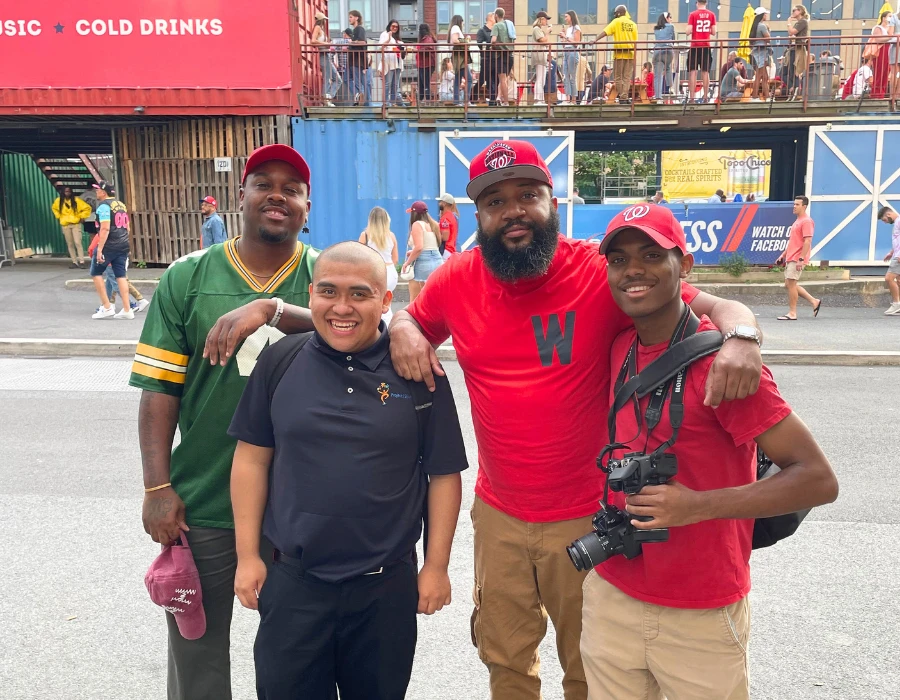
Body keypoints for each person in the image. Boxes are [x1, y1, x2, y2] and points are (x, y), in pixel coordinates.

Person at [203, 140, 766, 700]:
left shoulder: (598, 272)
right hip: (499, 517)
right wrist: (400, 328)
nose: (513, 211)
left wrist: (740, 336)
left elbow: (709, 306)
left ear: (553, 201)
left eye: (528, 195)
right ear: (479, 215)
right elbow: (371, 320)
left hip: (586, 512)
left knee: (587, 666)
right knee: (505, 659)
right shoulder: (456, 279)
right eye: (495, 201)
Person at [581, 204, 838, 700]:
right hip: (613, 591)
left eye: (652, 254)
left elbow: (817, 479)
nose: (633, 269)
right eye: (619, 259)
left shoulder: (726, 366)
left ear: (686, 266)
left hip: (700, 607)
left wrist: (698, 506)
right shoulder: (618, 347)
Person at [229, 241, 467, 700]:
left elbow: (444, 476)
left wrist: (436, 566)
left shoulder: (417, 372)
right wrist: (247, 556)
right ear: (311, 293)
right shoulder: (281, 361)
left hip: (384, 591)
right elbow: (251, 460)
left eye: (359, 294)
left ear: (384, 300)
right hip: (295, 583)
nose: (342, 307)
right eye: (328, 291)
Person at [130, 144, 319, 700]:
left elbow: (363, 329)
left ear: (308, 204)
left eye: (292, 187)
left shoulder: (322, 275)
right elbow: (159, 388)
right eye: (264, 183)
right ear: (242, 195)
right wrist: (157, 487)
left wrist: (271, 309)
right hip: (206, 500)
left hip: (299, 507)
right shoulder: (188, 276)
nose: (277, 195)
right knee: (198, 659)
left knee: (294, 657)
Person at [90, 181, 135, 320]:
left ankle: (107, 307)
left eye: (98, 190)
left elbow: (105, 228)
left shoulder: (103, 206)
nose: (96, 192)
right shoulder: (120, 204)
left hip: (109, 244)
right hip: (123, 244)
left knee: (95, 272)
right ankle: (127, 309)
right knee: (120, 275)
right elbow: (127, 226)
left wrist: (100, 249)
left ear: (104, 192)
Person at [775, 195, 821, 320]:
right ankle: (814, 301)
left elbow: (807, 241)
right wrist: (783, 255)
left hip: (797, 258)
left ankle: (792, 313)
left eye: (797, 204)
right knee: (789, 284)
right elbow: (793, 241)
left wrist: (801, 259)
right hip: (791, 256)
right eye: (794, 204)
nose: (794, 206)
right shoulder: (798, 221)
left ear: (804, 207)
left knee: (791, 284)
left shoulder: (806, 221)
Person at [88, 231, 149, 314]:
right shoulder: (119, 233)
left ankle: (131, 304)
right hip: (119, 259)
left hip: (106, 261)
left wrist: (94, 256)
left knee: (116, 284)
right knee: (111, 283)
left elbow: (91, 248)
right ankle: (108, 304)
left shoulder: (101, 234)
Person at [359, 206, 400, 323]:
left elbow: (358, 258)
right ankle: (388, 329)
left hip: (374, 272)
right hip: (390, 272)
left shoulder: (365, 235)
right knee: (387, 304)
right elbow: (395, 259)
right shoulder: (391, 236)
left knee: (373, 303)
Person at [595, 6, 638, 105]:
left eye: (615, 13)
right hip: (630, 53)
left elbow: (605, 32)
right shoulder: (633, 24)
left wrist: (595, 40)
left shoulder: (617, 22)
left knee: (618, 77)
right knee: (627, 78)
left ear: (618, 13)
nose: (614, 15)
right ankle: (625, 97)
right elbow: (635, 41)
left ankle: (623, 98)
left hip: (619, 53)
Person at [404, 200, 443, 301]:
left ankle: (416, 317)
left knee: (416, 298)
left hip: (423, 262)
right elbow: (432, 245)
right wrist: (412, 252)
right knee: (435, 297)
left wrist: (407, 263)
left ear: (414, 213)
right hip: (438, 260)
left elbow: (419, 247)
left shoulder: (417, 224)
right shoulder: (434, 224)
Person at [51, 186, 91, 268]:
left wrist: (82, 217)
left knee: (77, 242)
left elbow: (87, 208)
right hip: (65, 224)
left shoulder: (76, 200)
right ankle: (74, 261)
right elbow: (54, 209)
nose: (67, 193)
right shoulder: (58, 201)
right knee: (70, 244)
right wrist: (59, 216)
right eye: (66, 191)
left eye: (69, 191)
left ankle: (82, 261)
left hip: (75, 224)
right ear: (63, 192)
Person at [687, 0, 716, 103]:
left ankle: (692, 98)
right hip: (706, 46)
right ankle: (705, 97)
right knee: (705, 72)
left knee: (693, 72)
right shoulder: (711, 15)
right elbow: (713, 32)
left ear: (697, 3)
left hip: (695, 46)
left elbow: (688, 31)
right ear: (706, 3)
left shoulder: (693, 14)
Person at [312, 11, 342, 106]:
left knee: (337, 79)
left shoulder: (321, 29)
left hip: (326, 55)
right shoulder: (317, 28)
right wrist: (327, 44)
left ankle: (328, 97)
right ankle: (326, 99)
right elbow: (313, 41)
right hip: (323, 55)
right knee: (329, 78)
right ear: (322, 20)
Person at [876, 206, 900, 315]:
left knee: (889, 278)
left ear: (888, 215)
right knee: (898, 280)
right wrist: (891, 252)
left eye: (884, 220)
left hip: (898, 256)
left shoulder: (899, 221)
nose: (885, 223)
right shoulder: (897, 223)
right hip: (896, 254)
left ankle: (896, 304)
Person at [785, 5, 810, 98]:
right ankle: (794, 90)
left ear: (800, 11)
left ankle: (795, 90)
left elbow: (791, 32)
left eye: (794, 10)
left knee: (795, 70)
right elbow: (793, 34)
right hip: (795, 47)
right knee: (792, 70)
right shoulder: (800, 22)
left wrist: (789, 23)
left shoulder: (802, 21)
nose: (793, 12)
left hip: (798, 48)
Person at [868, 11, 894, 99]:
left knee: (886, 74)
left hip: (888, 51)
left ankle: (880, 94)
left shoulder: (890, 29)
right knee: (880, 72)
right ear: (884, 18)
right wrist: (889, 37)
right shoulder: (878, 28)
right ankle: (875, 94)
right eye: (889, 16)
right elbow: (878, 39)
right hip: (881, 51)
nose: (891, 18)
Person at [379, 20, 405, 107]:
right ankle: (385, 103)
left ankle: (393, 102)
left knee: (395, 84)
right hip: (389, 62)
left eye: (396, 27)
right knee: (388, 83)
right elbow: (380, 47)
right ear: (389, 26)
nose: (394, 28)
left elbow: (402, 50)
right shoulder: (385, 34)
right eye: (393, 26)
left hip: (397, 61)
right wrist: (389, 39)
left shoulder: (398, 38)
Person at [491, 8, 514, 106]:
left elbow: (493, 40)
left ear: (496, 15)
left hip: (500, 55)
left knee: (502, 79)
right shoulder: (509, 25)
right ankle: (499, 98)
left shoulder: (496, 26)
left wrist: (494, 46)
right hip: (509, 55)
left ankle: (506, 102)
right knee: (505, 79)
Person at [450, 14, 474, 105]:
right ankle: (466, 101)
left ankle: (457, 101)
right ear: (460, 21)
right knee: (469, 79)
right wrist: (466, 41)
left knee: (457, 79)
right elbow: (455, 40)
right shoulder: (456, 27)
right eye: (462, 22)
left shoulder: (453, 28)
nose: (463, 24)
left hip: (458, 56)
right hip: (460, 56)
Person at [749, 8, 772, 102]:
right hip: (762, 52)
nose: (766, 15)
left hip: (757, 52)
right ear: (762, 15)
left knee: (764, 76)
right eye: (765, 14)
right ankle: (755, 96)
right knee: (759, 75)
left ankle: (767, 96)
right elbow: (768, 39)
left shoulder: (755, 26)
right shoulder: (762, 26)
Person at [652, 13, 676, 103]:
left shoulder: (656, 29)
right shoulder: (671, 26)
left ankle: (658, 97)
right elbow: (673, 39)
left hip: (658, 52)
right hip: (668, 51)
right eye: (670, 17)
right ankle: (671, 87)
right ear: (666, 18)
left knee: (658, 75)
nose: (671, 19)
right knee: (668, 66)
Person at [560, 11, 582, 104]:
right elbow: (565, 45)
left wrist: (565, 36)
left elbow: (576, 42)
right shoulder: (569, 29)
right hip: (566, 51)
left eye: (566, 17)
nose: (565, 19)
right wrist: (563, 39)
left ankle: (573, 99)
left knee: (572, 76)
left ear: (571, 17)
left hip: (573, 51)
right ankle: (568, 98)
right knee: (566, 76)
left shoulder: (576, 28)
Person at [348, 10, 368, 106]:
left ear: (357, 18)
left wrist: (352, 42)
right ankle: (359, 98)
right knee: (348, 79)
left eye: (351, 17)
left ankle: (360, 100)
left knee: (357, 81)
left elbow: (363, 42)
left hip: (357, 60)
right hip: (354, 60)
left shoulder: (359, 29)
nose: (349, 19)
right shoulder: (355, 30)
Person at [532, 12, 551, 106]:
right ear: (541, 19)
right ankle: (538, 99)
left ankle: (540, 99)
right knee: (540, 78)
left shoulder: (539, 30)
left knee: (542, 79)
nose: (546, 21)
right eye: (545, 19)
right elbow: (543, 41)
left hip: (542, 56)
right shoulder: (536, 29)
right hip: (539, 56)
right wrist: (547, 33)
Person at [478, 12, 497, 104]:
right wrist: (489, 44)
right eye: (494, 17)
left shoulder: (494, 30)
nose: (495, 19)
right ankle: (471, 97)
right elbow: (480, 44)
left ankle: (493, 100)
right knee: (483, 79)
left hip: (494, 58)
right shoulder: (482, 31)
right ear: (490, 18)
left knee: (493, 80)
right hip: (485, 59)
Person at [415, 24, 438, 103]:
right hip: (422, 64)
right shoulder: (425, 38)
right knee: (421, 83)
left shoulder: (427, 38)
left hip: (426, 64)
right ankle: (421, 100)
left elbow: (428, 48)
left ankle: (427, 100)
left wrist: (418, 50)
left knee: (425, 83)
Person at [438, 192, 460, 257]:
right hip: (452, 249)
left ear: (444, 203)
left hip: (446, 250)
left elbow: (445, 237)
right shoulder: (453, 216)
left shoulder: (445, 218)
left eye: (440, 202)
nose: (439, 204)